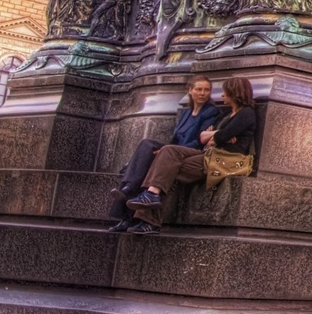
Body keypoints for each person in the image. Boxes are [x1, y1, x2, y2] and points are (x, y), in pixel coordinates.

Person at [124, 77, 256, 234]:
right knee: (168, 151)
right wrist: (217, 135)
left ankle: (149, 219)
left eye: (225, 93)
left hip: (223, 159)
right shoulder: (227, 116)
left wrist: (216, 135)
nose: (222, 96)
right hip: (210, 153)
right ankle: (151, 195)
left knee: (168, 169)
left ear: (234, 93)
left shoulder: (247, 114)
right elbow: (204, 137)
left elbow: (219, 137)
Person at [106, 73, 221, 232]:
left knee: (160, 159)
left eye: (207, 90)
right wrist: (165, 149)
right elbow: (175, 139)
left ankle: (137, 213)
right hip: (175, 149)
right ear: (190, 91)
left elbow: (199, 141)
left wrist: (168, 150)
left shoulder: (211, 112)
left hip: (192, 152)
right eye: (199, 89)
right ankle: (128, 194)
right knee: (147, 145)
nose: (203, 93)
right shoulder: (185, 113)